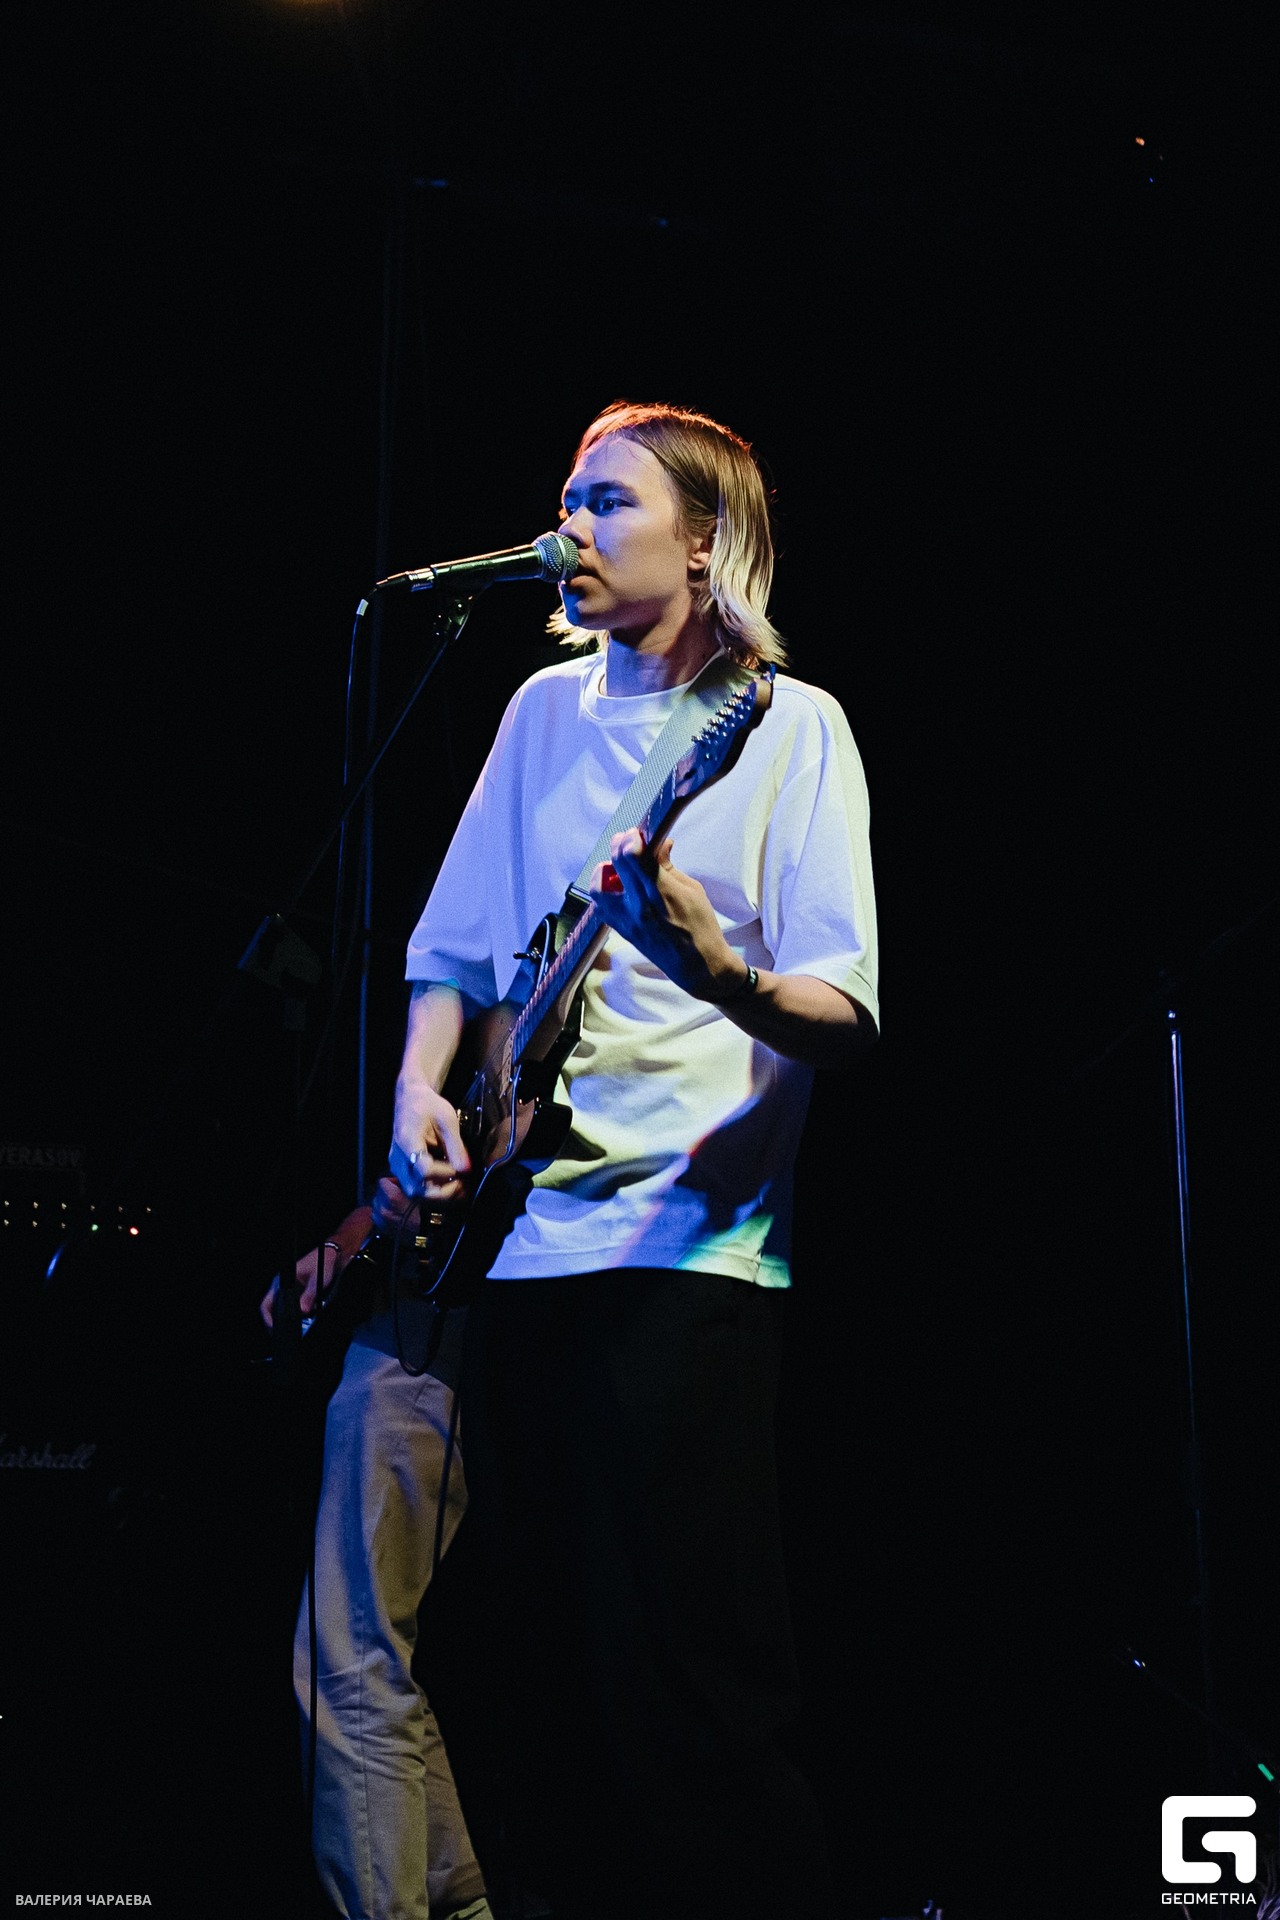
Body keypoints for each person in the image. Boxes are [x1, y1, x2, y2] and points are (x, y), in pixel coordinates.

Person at [392, 400, 880, 1919]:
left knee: (692, 1688)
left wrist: (716, 967)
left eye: (610, 501)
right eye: (568, 498)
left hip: (685, 1254)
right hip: (517, 1244)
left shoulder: (785, 727)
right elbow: (455, 946)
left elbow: (844, 1010)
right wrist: (416, 1089)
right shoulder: (539, 712)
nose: (573, 527)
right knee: (533, 1682)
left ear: (706, 540)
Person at [261, 1205, 495, 1920]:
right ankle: (457, 1900)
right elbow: (413, 1183)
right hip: (431, 1311)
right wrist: (350, 1237)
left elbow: (475, 1175)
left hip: (439, 1321)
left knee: (354, 1654)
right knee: (370, 1656)